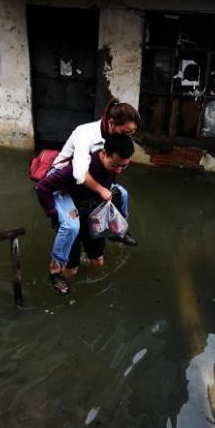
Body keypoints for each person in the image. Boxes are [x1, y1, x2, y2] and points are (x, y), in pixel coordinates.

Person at [35, 135, 135, 294]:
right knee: (72, 270)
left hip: (94, 215)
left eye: (124, 166)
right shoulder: (76, 168)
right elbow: (42, 188)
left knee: (98, 261)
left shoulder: (113, 166)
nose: (118, 170)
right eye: (115, 165)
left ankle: (117, 234)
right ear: (103, 153)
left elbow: (110, 185)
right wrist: (54, 215)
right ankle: (64, 286)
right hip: (72, 215)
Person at [52, 97, 140, 246]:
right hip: (66, 178)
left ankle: (119, 230)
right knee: (72, 226)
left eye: (130, 134)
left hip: (92, 175)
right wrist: (100, 189)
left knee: (122, 194)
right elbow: (79, 174)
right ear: (111, 123)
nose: (127, 137)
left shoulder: (114, 136)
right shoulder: (86, 134)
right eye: (125, 132)